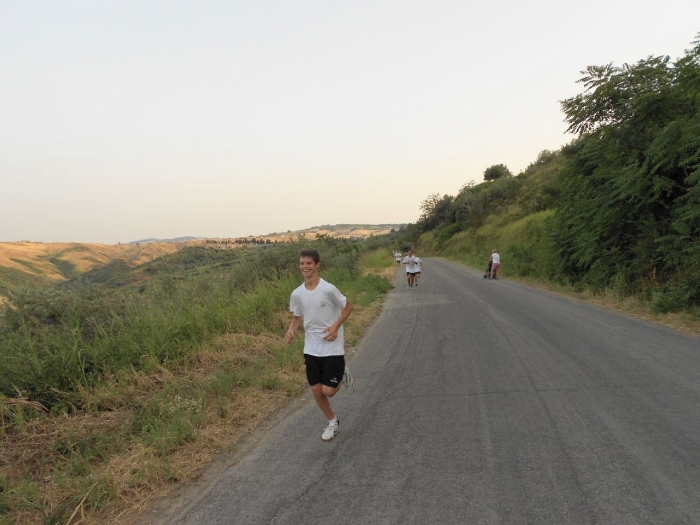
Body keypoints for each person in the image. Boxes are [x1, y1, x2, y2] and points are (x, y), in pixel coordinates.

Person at [285, 248, 355, 441]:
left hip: (332, 344)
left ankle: (342, 374)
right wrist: (291, 330)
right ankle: (332, 422)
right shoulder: (297, 293)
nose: (305, 267)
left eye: (308, 263)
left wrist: (335, 326)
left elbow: (349, 306)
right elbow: (297, 316)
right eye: (302, 264)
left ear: (317, 265)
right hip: (311, 346)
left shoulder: (328, 289)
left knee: (328, 392)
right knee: (316, 389)